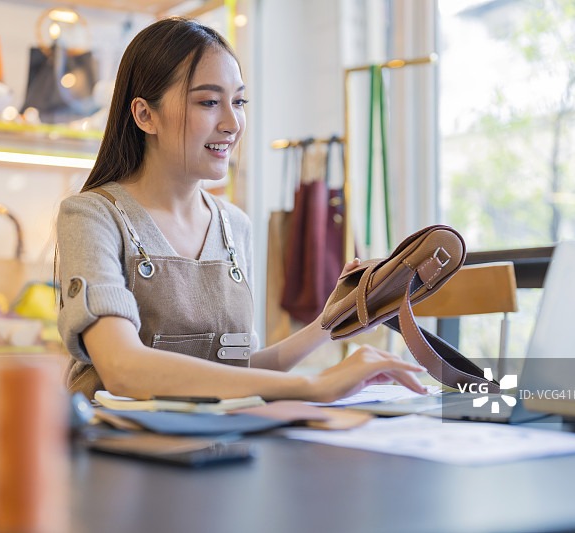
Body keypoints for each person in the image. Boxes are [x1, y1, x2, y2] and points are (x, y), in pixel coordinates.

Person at [56, 17, 426, 402]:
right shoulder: (91, 217)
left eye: (238, 102)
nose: (233, 123)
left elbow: (237, 373)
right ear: (145, 115)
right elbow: (123, 369)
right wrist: (314, 386)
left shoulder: (235, 226)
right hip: (116, 454)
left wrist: (329, 321)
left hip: (215, 448)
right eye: (209, 102)